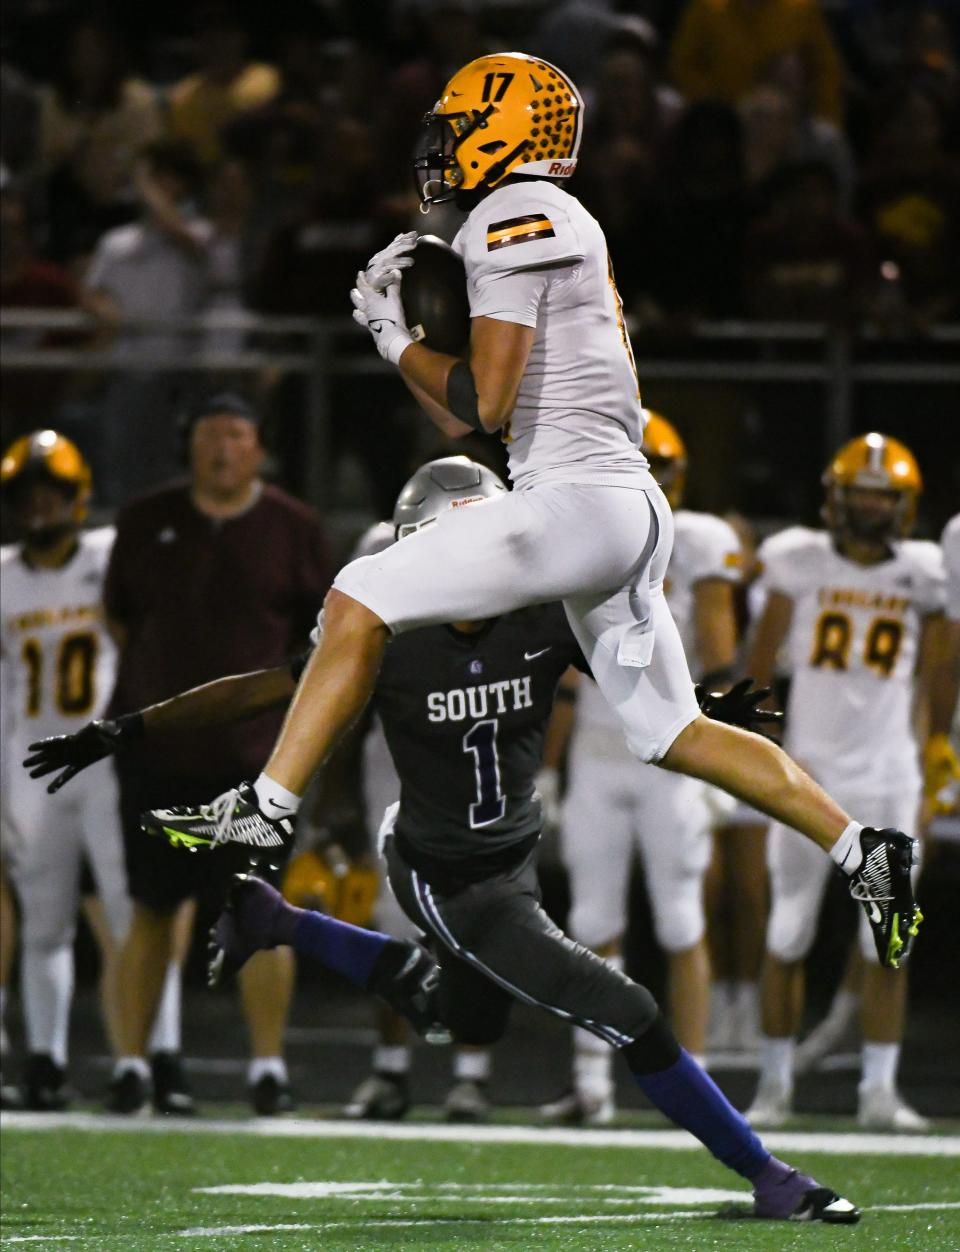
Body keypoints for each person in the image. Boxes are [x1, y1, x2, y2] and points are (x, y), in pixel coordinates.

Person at [141, 51, 920, 1214]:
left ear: (506, 132)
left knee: (358, 594)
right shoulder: (543, 214)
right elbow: (495, 406)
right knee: (671, 730)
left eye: (460, 125)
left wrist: (390, 339)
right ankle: (864, 848)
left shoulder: (516, 207)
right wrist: (407, 341)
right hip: (617, 509)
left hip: (577, 506)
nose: (445, 146)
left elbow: (487, 404)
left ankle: (264, 810)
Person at [30, 452, 852, 1220]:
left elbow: (644, 687)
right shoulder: (385, 634)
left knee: (458, 1017)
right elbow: (265, 691)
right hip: (444, 871)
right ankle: (771, 1178)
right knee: (628, 1010)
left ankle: (273, 920)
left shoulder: (543, 613)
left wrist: (706, 708)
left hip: (512, 852)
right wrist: (126, 730)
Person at [95, 392, 330, 1115]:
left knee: (260, 912)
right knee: (150, 910)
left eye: (236, 434)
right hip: (160, 755)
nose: (222, 449)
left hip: (255, 761)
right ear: (187, 445)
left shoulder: (293, 527)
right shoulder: (146, 521)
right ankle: (131, 1064)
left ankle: (267, 1067)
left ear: (259, 447)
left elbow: (322, 638)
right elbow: (119, 617)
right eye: (208, 435)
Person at [541, 412, 745, 1124]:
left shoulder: (698, 543)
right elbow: (567, 672)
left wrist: (720, 769)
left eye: (659, 468)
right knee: (592, 921)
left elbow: (719, 663)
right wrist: (549, 769)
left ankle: (699, 1093)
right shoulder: (584, 539)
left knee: (681, 923)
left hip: (672, 759)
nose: (650, 482)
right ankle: (592, 1082)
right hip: (600, 751)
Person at [744, 433, 944, 1130]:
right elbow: (758, 671)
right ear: (836, 497)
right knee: (788, 931)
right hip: (809, 776)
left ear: (904, 505)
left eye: (883, 496)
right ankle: (772, 1087)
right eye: (861, 493)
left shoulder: (925, 572)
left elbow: (942, 669)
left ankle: (878, 1092)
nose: (870, 506)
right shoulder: (796, 562)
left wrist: (939, 748)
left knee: (887, 939)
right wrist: (758, 755)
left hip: (888, 775)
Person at [0, 431, 177, 1110]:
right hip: (32, 763)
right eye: (26, 495)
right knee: (44, 924)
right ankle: (44, 1058)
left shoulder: (111, 558)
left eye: (50, 492)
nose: (38, 507)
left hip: (106, 759)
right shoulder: (6, 575)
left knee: (137, 915)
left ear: (77, 498)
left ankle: (145, 1059)